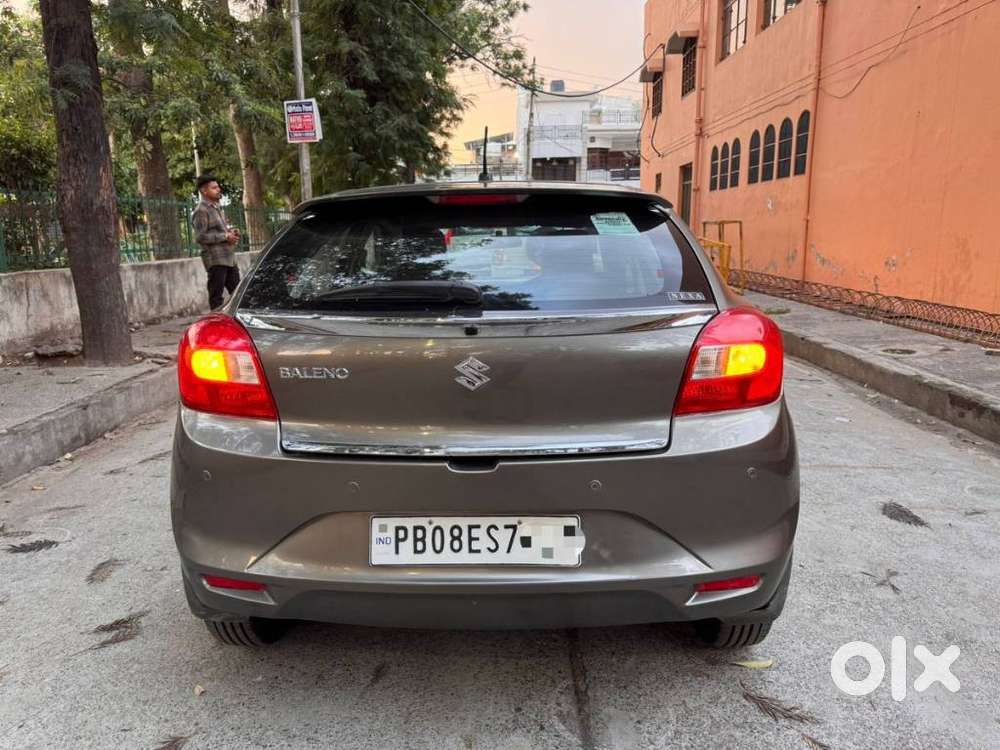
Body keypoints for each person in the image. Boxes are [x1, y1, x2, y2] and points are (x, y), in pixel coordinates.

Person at [192, 175, 241, 310]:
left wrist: (231, 233)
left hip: (229, 258)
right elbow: (200, 237)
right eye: (214, 188)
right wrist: (225, 236)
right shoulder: (201, 210)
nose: (218, 189)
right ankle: (216, 325)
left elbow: (220, 231)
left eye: (218, 187)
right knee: (216, 298)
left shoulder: (217, 207)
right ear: (204, 191)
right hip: (215, 259)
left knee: (238, 294)